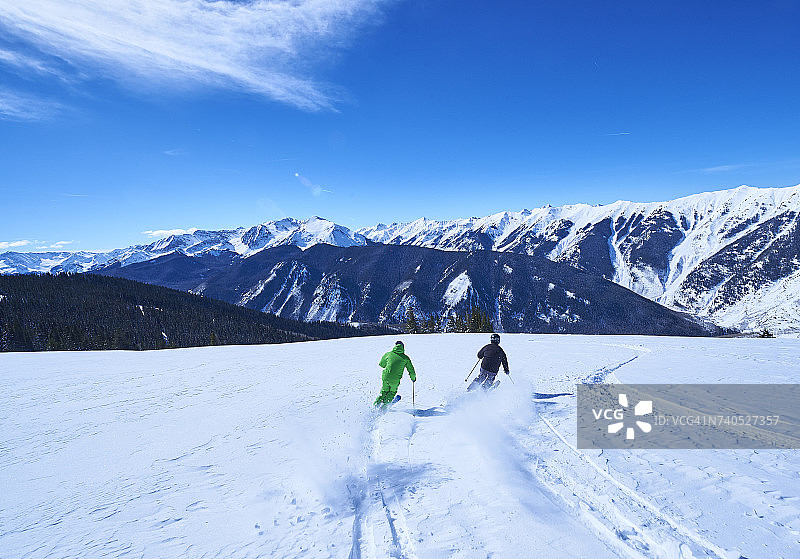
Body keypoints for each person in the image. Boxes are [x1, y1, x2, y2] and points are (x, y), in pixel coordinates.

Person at [374, 340, 416, 409]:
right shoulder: (405, 358)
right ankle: (384, 408)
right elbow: (411, 370)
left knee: (384, 391)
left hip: (386, 376)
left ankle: (376, 405)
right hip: (395, 379)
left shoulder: (388, 354)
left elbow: (381, 364)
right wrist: (413, 378)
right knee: (392, 392)